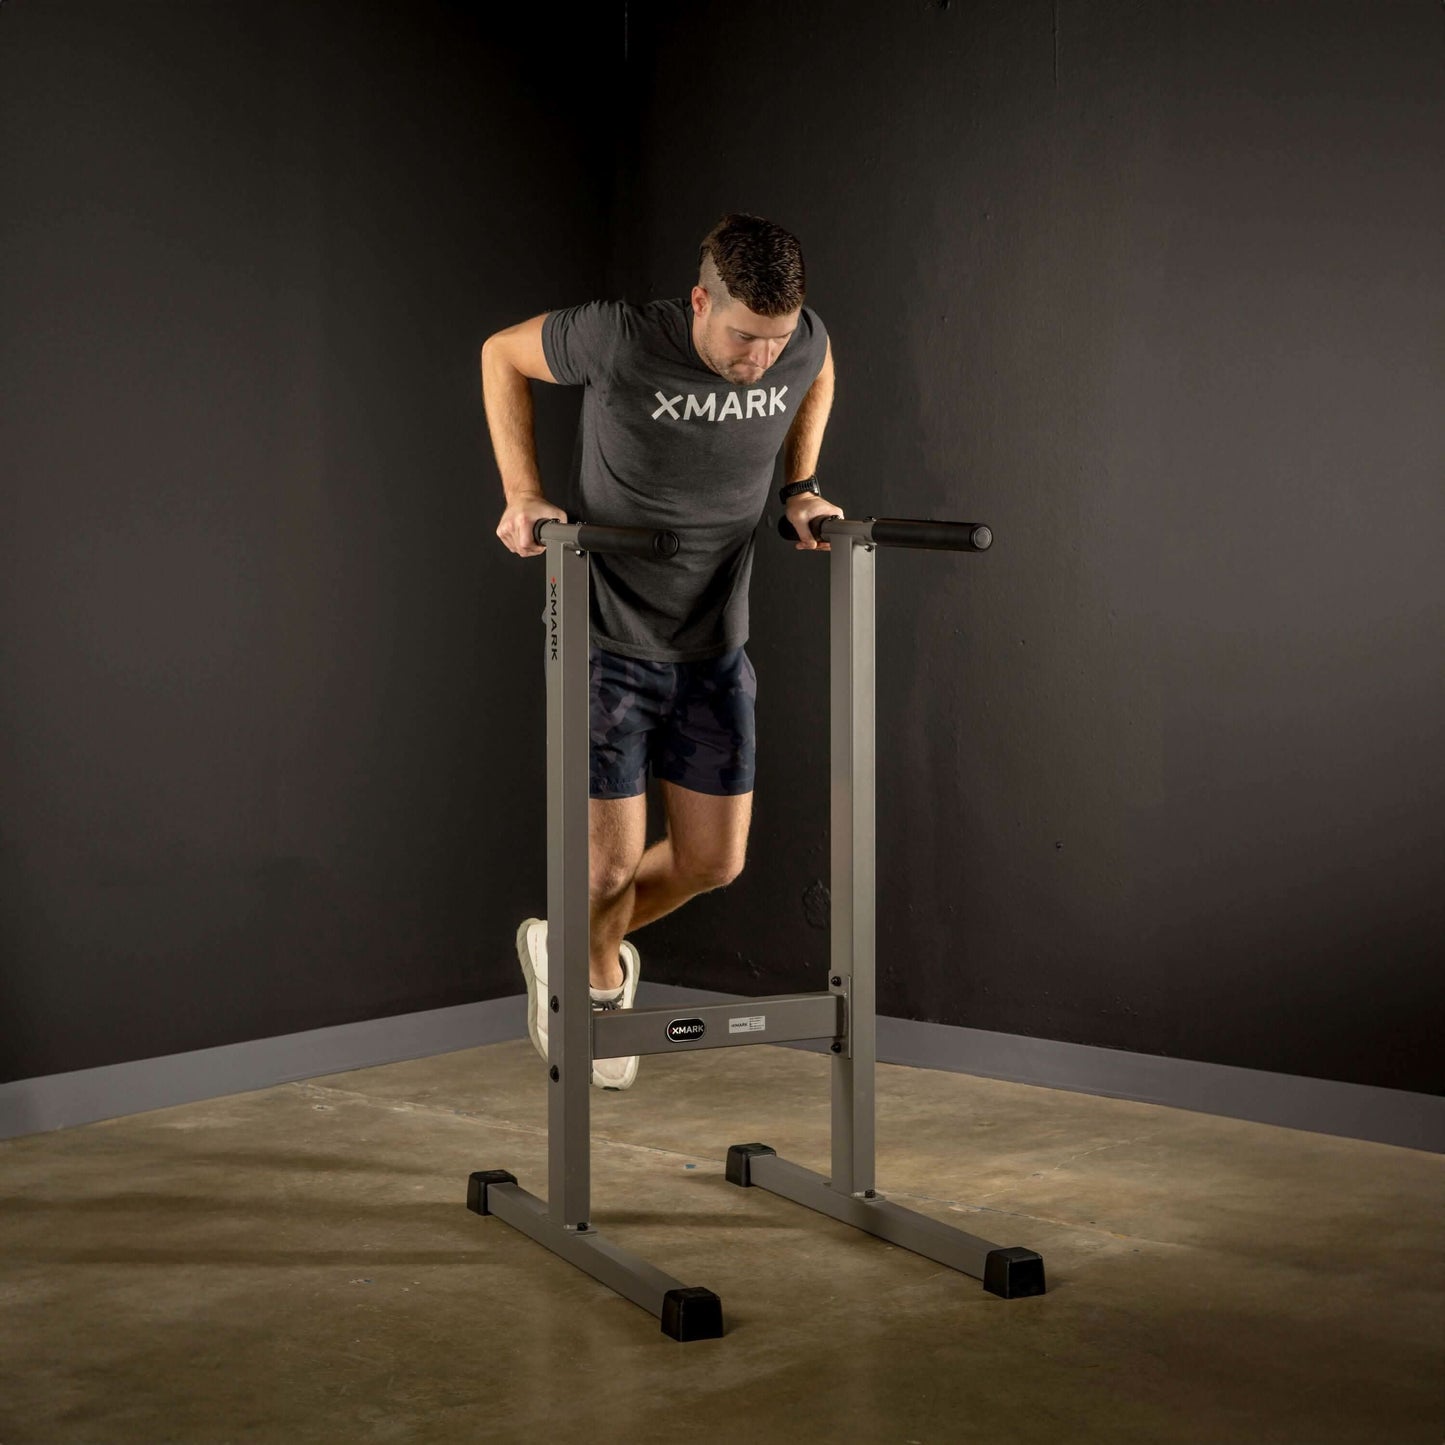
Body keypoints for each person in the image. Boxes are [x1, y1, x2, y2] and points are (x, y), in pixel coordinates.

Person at [482, 213, 842, 1090]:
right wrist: (524, 494)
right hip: (608, 636)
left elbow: (819, 371)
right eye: (743, 338)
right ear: (698, 302)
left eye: (776, 340)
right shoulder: (619, 336)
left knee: (713, 860)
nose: (762, 360)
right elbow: (501, 353)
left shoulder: (801, 342)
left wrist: (799, 487)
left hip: (715, 643)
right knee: (605, 862)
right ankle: (595, 978)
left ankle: (565, 945)